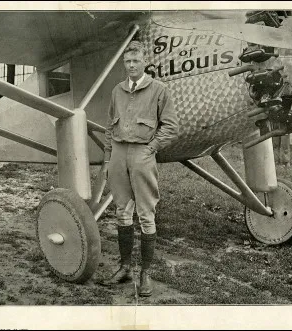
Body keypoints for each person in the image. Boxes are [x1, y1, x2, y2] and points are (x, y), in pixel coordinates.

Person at [101, 41, 179, 297]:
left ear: (145, 62)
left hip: (142, 154)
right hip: (119, 154)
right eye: (128, 62)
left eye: (136, 61)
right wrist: (107, 158)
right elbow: (110, 127)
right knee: (122, 211)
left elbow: (171, 126)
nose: (132, 66)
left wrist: (152, 147)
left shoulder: (159, 90)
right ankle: (125, 268)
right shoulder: (117, 91)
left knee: (146, 214)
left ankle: (145, 274)